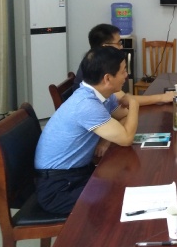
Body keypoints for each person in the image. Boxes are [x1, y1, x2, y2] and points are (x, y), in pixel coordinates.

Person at [35, 47, 140, 214]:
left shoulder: (98, 94)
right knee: (122, 197)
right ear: (107, 78)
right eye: (123, 71)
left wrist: (106, 139)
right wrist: (134, 102)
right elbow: (127, 138)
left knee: (128, 184)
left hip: (76, 174)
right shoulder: (87, 104)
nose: (126, 75)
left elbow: (122, 116)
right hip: (59, 188)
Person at [75, 23, 174, 106]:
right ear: (106, 46)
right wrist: (163, 97)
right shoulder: (97, 68)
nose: (121, 47)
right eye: (118, 43)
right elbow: (124, 100)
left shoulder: (96, 61)